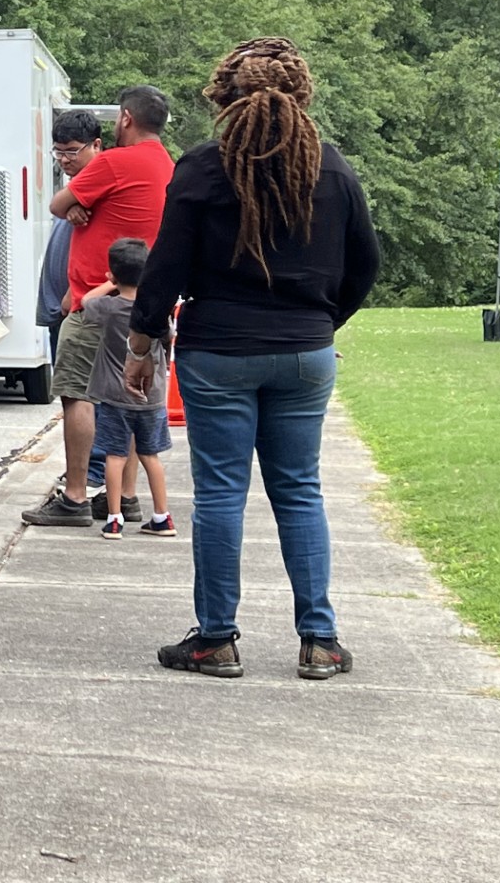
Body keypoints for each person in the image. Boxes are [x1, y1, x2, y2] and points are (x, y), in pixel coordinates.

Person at [127, 39, 379, 681]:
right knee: (299, 492)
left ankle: (215, 639)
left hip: (219, 350)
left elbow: (166, 263)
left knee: (219, 495)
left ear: (222, 99)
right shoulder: (334, 168)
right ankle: (320, 640)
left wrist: (143, 340)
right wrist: (321, 321)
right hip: (305, 351)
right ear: (302, 95)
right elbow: (365, 264)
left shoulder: (204, 166)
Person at [23, 85, 174, 527]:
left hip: (94, 300)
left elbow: (56, 202)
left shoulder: (114, 161)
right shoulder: (166, 166)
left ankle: (73, 496)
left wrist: (73, 207)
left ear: (125, 118)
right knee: (127, 397)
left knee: (78, 396)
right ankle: (123, 497)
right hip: (140, 306)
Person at [82, 239, 174, 539]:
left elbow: (84, 302)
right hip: (153, 397)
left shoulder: (109, 308)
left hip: (115, 396)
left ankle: (113, 518)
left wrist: (108, 284)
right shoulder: (158, 311)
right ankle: (162, 516)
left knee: (114, 456)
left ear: (112, 274)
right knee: (151, 456)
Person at [36, 112, 107, 493]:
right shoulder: (74, 189)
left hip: (80, 305)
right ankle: (83, 470)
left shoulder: (104, 184)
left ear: (98, 145)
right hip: (59, 304)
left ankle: (93, 472)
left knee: (86, 394)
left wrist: (74, 292)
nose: (64, 160)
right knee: (69, 395)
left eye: (73, 152)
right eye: (58, 152)